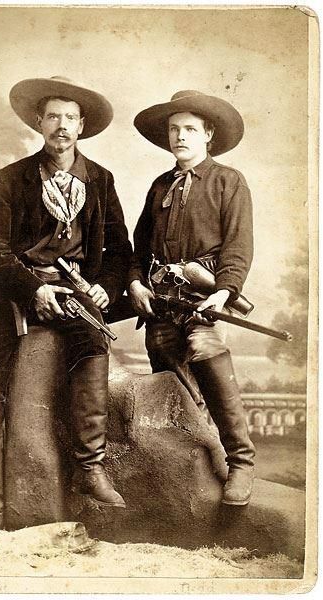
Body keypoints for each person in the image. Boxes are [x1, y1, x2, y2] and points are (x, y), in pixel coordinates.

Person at [0, 75, 132, 540]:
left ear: (82, 127)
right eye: (53, 116)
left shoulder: (100, 180)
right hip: (14, 293)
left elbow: (119, 251)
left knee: (93, 342)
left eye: (70, 118)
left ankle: (90, 468)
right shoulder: (12, 179)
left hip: (75, 293)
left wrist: (103, 290)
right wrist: (32, 288)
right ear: (39, 122)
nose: (61, 126)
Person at [128, 89, 255, 506]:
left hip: (204, 299)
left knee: (205, 350)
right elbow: (139, 247)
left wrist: (222, 291)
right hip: (162, 301)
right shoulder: (160, 185)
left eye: (189, 129)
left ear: (208, 135)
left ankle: (241, 462)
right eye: (173, 129)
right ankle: (202, 461)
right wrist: (134, 282)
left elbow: (237, 245)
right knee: (170, 371)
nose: (180, 136)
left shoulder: (227, 181)